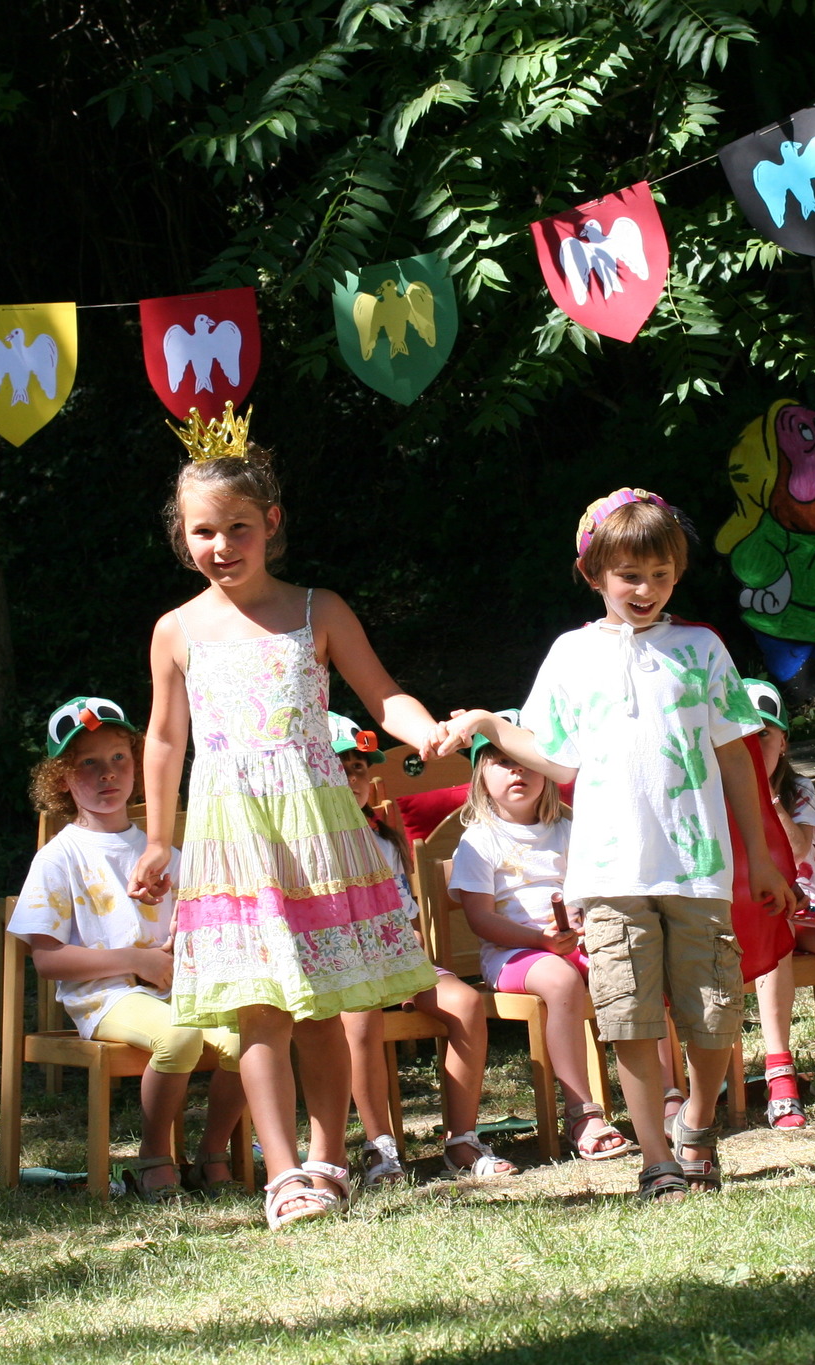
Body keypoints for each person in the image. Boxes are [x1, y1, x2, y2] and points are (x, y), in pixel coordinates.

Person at [128, 410, 443, 1231]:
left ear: (270, 523)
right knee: (260, 1006)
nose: (222, 545)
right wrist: (161, 837)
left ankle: (329, 1158)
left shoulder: (316, 609)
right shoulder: (176, 630)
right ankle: (281, 1174)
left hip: (313, 832)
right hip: (233, 838)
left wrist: (425, 729)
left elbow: (385, 694)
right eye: (204, 531)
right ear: (182, 536)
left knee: (319, 1003)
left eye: (238, 527)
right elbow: (164, 740)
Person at [440, 488, 797, 1202]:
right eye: (631, 574)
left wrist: (759, 853)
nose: (647, 589)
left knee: (714, 1011)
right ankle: (657, 1158)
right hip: (605, 871)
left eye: (661, 574)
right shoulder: (570, 655)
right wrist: (486, 721)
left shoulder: (701, 649)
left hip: (697, 867)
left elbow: (735, 754)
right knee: (629, 1011)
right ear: (594, 573)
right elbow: (558, 759)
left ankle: (697, 1119)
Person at [8, 696, 246, 1202]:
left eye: (118, 759)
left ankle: (211, 1154)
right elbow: (48, 960)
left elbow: (203, 925)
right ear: (61, 780)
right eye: (87, 764)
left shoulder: (162, 852)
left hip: (176, 990)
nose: (106, 775)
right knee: (178, 1039)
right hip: (104, 1000)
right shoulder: (60, 856)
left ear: (138, 765)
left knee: (251, 1034)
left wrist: (184, 945)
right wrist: (136, 960)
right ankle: (154, 1159)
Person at [330, 712, 514, 1184]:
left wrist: (410, 938)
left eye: (359, 768)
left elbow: (407, 918)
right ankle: (380, 1146)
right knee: (361, 1012)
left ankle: (461, 1141)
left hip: (398, 960)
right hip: (345, 972)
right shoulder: (314, 845)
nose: (352, 778)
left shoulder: (385, 840)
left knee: (466, 1003)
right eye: (339, 767)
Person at [447, 717, 632, 1161]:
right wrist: (541, 940)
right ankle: (582, 1112)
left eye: (527, 762)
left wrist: (587, 930)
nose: (518, 772)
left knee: (635, 965)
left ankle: (665, 1097)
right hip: (513, 955)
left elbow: (597, 893)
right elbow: (480, 920)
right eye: (502, 762)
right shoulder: (479, 840)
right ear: (480, 776)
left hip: (576, 944)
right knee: (559, 979)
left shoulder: (571, 830)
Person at [744, 677, 815, 1130]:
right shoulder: (712, 797)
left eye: (762, 735)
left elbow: (801, 851)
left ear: (783, 740)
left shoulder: (796, 791)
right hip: (755, 916)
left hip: (810, 907)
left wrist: (766, 800)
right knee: (776, 941)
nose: (751, 745)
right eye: (739, 737)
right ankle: (780, 1073)